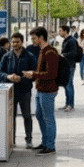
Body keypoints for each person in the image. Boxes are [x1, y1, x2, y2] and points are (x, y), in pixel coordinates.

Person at [0, 32, 38, 149]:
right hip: (11, 91)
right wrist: (8, 76)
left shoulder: (29, 56)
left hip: (25, 90)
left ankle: (29, 139)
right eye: (13, 42)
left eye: (17, 42)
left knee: (27, 116)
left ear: (22, 42)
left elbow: (34, 73)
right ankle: (12, 140)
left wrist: (21, 78)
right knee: (11, 117)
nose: (14, 44)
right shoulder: (7, 56)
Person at [23, 26, 59, 154]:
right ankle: (45, 142)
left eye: (34, 38)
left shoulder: (50, 52)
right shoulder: (42, 51)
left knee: (48, 118)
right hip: (40, 89)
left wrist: (34, 74)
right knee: (40, 115)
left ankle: (50, 145)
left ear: (41, 38)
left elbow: (51, 74)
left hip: (47, 90)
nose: (32, 40)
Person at [59, 25, 79, 111]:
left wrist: (62, 55)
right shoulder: (66, 40)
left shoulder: (71, 41)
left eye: (60, 30)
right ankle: (67, 104)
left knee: (69, 84)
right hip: (65, 65)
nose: (59, 32)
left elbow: (73, 53)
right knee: (66, 85)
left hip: (70, 65)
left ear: (65, 31)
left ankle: (70, 104)